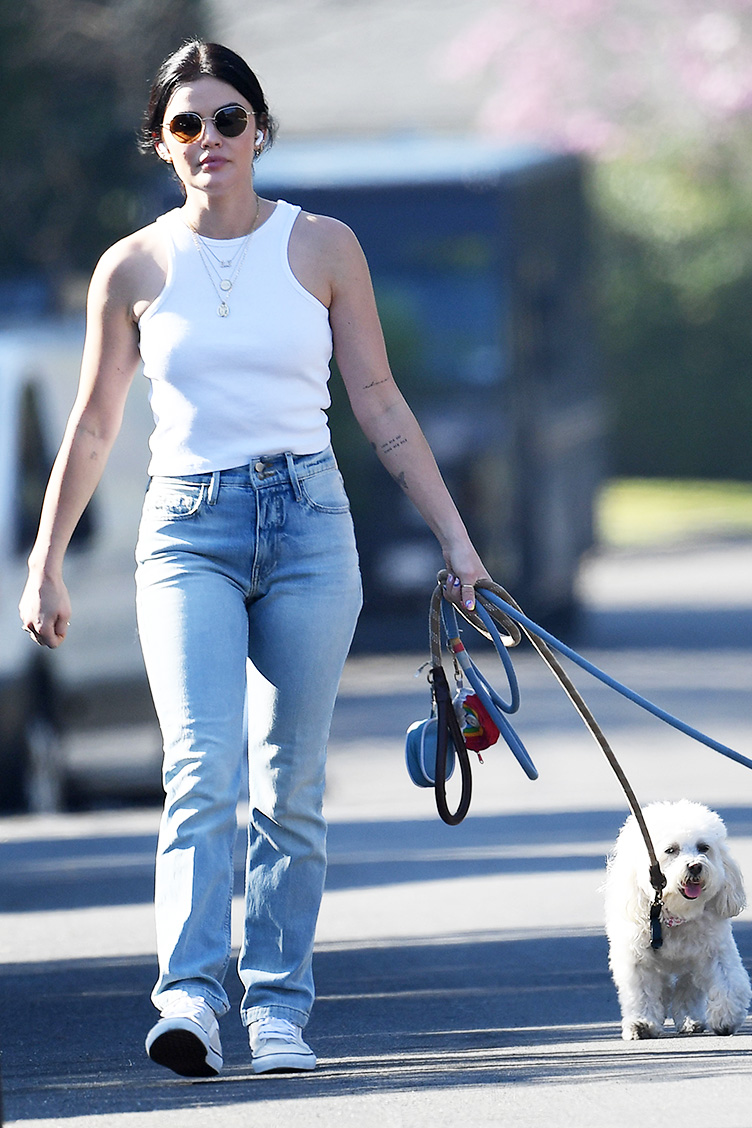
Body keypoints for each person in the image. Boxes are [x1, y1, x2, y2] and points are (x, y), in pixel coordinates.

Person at [18, 40, 489, 1079]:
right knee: (201, 770)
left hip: (310, 522)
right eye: (186, 124)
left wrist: (456, 542)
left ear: (260, 131)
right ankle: (188, 999)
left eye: (228, 119)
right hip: (186, 530)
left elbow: (378, 404)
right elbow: (94, 426)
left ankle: (277, 1008)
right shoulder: (132, 267)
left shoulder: (323, 246)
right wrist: (44, 559)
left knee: (291, 780)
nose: (209, 140)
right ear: (159, 143)